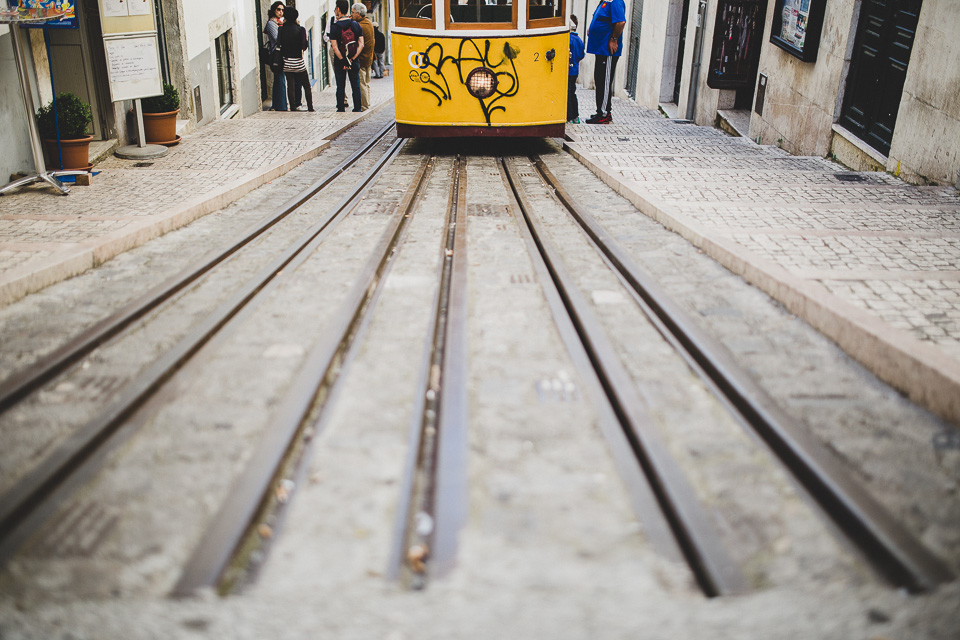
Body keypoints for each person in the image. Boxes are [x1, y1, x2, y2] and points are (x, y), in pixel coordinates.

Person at [585, 0, 625, 124]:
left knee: (604, 82)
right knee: (599, 80)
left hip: (607, 51)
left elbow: (620, 22)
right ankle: (601, 111)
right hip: (600, 49)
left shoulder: (615, 2)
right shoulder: (605, 1)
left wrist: (614, 39)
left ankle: (604, 114)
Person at [330, 0, 363, 112]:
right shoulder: (355, 24)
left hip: (340, 61)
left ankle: (341, 108)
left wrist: (343, 60)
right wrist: (352, 59)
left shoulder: (334, 27)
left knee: (340, 85)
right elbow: (361, 44)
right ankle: (357, 108)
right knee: (356, 85)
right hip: (354, 59)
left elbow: (335, 47)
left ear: (338, 9)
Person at [279, 6, 313, 111]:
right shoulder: (301, 29)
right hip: (298, 62)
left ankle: (293, 107)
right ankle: (310, 107)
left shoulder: (281, 29)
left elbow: (279, 44)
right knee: (306, 85)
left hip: (287, 62)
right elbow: (304, 46)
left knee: (290, 85)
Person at [262, 2, 287, 111]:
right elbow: (278, 39)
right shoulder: (272, 23)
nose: (281, 12)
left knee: (279, 79)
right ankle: (281, 106)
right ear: (274, 10)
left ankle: (277, 105)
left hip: (282, 54)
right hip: (276, 55)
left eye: (282, 10)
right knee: (280, 79)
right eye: (278, 9)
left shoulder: (281, 22)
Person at [351, 3, 375, 111]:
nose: (351, 14)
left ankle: (364, 106)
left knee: (362, 84)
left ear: (358, 13)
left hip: (362, 59)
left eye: (353, 12)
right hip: (369, 58)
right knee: (367, 83)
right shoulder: (369, 23)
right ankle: (367, 104)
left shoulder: (359, 26)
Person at [567, 14, 585, 124]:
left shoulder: (568, 39)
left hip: (568, 71)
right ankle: (575, 116)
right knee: (572, 92)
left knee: (568, 94)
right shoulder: (579, 40)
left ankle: (569, 116)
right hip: (575, 70)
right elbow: (581, 55)